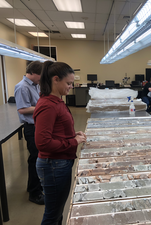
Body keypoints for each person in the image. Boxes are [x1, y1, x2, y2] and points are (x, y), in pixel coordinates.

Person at [33, 61, 86, 224]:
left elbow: (56, 130)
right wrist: (73, 142)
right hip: (53, 165)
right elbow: (43, 142)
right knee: (52, 215)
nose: (71, 87)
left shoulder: (56, 101)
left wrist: (72, 135)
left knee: (57, 212)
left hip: (59, 163)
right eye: (68, 83)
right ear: (55, 79)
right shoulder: (48, 105)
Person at [14, 61, 44, 205]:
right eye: (40, 75)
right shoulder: (22, 87)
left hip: (38, 125)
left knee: (37, 158)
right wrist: (42, 106)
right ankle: (34, 193)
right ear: (32, 73)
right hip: (31, 127)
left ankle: (34, 186)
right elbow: (22, 109)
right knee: (35, 159)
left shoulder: (35, 85)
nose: (41, 78)